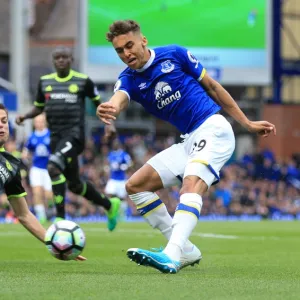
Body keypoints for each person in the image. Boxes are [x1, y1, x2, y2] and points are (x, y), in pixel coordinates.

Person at [97, 20, 276, 273]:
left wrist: (246, 122)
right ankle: (185, 250)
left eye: (129, 46)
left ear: (143, 40)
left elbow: (212, 87)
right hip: (189, 139)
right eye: (119, 51)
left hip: (214, 128)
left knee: (190, 185)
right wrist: (110, 107)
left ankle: (171, 255)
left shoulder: (175, 54)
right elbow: (119, 98)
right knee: (135, 186)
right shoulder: (128, 79)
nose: (126, 54)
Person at [16, 46, 121, 231]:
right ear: (53, 61)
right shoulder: (45, 82)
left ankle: (60, 219)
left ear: (71, 59)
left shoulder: (82, 81)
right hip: (55, 139)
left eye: (65, 57)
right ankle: (110, 205)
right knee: (75, 185)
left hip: (74, 136)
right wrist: (25, 116)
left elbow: (100, 105)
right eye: (57, 57)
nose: (61, 60)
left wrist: (109, 124)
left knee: (53, 166)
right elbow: (39, 107)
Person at [0, 104, 85, 260]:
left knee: (45, 195)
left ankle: (47, 212)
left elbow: (24, 215)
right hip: (39, 170)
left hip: (45, 169)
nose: (1, 125)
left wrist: (55, 242)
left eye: (4, 121)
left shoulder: (11, 164)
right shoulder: (31, 140)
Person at [22, 114, 52, 224]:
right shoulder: (32, 136)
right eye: (37, 122)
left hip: (48, 169)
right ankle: (41, 217)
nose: (39, 124)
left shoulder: (50, 135)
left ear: (45, 122)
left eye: (41, 121)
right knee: (37, 193)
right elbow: (27, 148)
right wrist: (25, 154)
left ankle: (50, 210)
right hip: (36, 169)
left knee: (49, 195)